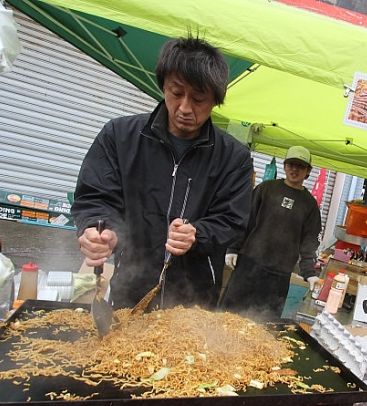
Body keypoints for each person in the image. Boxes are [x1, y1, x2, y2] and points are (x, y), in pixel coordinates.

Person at [72, 35, 254, 310]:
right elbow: (96, 197)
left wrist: (198, 233)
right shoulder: (119, 136)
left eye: (199, 99)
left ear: (216, 100)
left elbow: (232, 220)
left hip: (194, 302)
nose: (184, 108)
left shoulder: (234, 158)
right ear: (163, 86)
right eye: (176, 93)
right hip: (130, 291)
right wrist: (101, 229)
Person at [220, 146, 323, 320]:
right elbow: (245, 220)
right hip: (248, 264)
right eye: (291, 164)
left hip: (279, 274)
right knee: (228, 316)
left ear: (308, 171)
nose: (294, 169)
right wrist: (232, 248)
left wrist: (309, 273)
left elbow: (309, 242)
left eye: (300, 166)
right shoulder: (266, 189)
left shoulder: (310, 205)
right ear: (284, 166)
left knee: (263, 324)